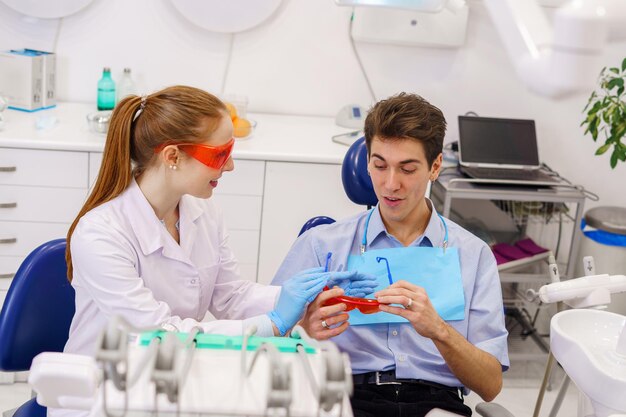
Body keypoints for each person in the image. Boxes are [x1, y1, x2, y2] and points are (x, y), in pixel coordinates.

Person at [53, 86, 376, 416]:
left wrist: (303, 298)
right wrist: (274, 323)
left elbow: (230, 297)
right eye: (219, 154)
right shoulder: (100, 234)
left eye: (230, 149)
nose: (231, 165)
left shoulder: (202, 213)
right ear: (172, 157)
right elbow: (158, 335)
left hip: (173, 379)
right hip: (103, 390)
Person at [272, 93, 509, 417]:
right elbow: (266, 348)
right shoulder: (323, 245)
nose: (390, 184)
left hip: (436, 404)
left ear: (435, 166)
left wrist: (439, 330)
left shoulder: (473, 255)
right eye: (379, 165)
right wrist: (305, 332)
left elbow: (490, 384)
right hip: (342, 397)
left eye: (407, 169)